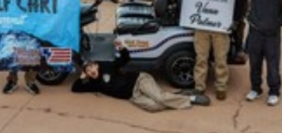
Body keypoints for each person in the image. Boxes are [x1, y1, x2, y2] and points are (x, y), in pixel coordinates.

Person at [71, 45, 209, 111]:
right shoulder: (92, 84)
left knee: (160, 98)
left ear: (96, 65)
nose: (91, 71)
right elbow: (75, 88)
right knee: (154, 107)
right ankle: (175, 96)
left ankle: (191, 99)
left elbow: (125, 59)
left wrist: (122, 49)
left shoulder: (107, 66)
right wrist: (82, 77)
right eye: (88, 71)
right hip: (133, 96)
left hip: (139, 80)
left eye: (91, 67)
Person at [177, 0, 239, 101]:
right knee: (201, 58)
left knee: (221, 59)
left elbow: (240, 1)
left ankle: (221, 87)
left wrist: (235, 19)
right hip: (202, 27)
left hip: (221, 28)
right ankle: (199, 87)